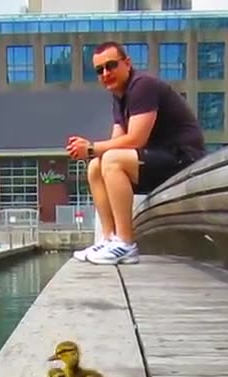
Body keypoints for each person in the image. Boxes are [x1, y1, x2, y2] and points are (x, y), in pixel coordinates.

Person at [66, 41, 206, 266]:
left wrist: (90, 148)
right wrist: (94, 153)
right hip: (160, 159)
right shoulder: (119, 97)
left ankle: (126, 243)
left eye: (111, 66)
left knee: (110, 160)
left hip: (184, 160)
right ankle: (109, 238)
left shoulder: (142, 86)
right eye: (99, 70)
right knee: (96, 166)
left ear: (127, 63)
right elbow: (116, 142)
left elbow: (135, 139)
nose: (105, 73)